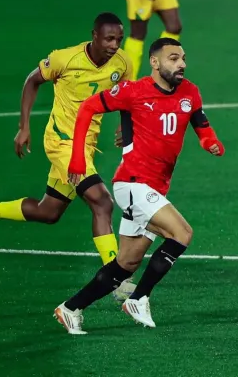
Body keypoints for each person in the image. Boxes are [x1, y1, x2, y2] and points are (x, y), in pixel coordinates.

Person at [54, 38, 225, 335]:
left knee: (126, 264)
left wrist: (211, 143)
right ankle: (139, 298)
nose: (181, 64)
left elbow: (202, 127)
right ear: (155, 63)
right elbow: (87, 110)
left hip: (155, 189)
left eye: (183, 58)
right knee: (182, 233)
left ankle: (70, 308)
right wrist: (78, 160)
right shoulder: (133, 92)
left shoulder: (190, 92)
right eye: (173, 58)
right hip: (132, 183)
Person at [0, 13, 135, 269]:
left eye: (119, 39)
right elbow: (32, 81)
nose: (114, 45)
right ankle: (116, 277)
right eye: (109, 39)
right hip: (61, 142)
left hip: (86, 146)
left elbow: (126, 96)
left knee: (49, 212)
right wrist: (24, 127)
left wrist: (126, 125)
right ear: (94, 36)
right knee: (102, 202)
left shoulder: (122, 63)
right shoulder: (64, 59)